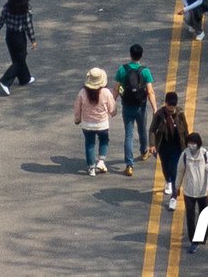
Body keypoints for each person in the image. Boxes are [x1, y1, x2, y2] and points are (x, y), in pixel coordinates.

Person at [115, 43, 156, 174]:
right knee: (142, 129)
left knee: (128, 134)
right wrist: (155, 108)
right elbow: (150, 91)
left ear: (130, 55)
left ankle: (129, 165)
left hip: (127, 106)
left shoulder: (122, 69)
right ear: (141, 55)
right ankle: (144, 151)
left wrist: (111, 104)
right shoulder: (145, 71)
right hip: (141, 106)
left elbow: (116, 89)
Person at [73, 67, 118, 175]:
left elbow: (77, 108)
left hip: (87, 125)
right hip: (102, 124)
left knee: (89, 144)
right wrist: (113, 113)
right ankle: (101, 161)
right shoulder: (106, 92)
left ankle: (91, 168)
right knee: (104, 141)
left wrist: (77, 119)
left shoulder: (82, 92)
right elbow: (112, 109)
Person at [176, 132, 208, 247]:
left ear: (198, 144)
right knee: (190, 216)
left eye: (194, 143)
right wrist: (177, 187)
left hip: (203, 191)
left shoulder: (205, 155)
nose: (191, 145)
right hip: (189, 192)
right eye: (189, 143)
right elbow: (180, 171)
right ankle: (193, 239)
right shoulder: (184, 155)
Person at [0, 0, 36, 93]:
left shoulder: (7, 6)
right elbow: (28, 25)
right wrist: (33, 40)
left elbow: (1, 20)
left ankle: (25, 78)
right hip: (19, 37)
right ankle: (5, 81)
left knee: (16, 58)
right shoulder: (25, 8)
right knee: (20, 60)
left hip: (9, 36)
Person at [151, 91, 190, 207]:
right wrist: (152, 144)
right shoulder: (159, 114)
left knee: (174, 170)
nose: (171, 110)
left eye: (173, 107)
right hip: (163, 146)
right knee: (165, 167)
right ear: (166, 103)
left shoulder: (180, 113)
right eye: (169, 107)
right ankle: (167, 180)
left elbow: (186, 129)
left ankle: (174, 196)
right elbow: (152, 130)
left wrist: (188, 145)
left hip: (177, 147)